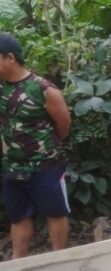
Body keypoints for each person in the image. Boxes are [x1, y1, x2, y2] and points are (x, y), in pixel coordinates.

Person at [0, 33, 72, 259]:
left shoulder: (44, 90)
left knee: (55, 213)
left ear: (9, 58)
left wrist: (44, 149)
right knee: (18, 217)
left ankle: (58, 260)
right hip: (12, 166)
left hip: (46, 166)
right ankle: (17, 264)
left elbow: (63, 125)